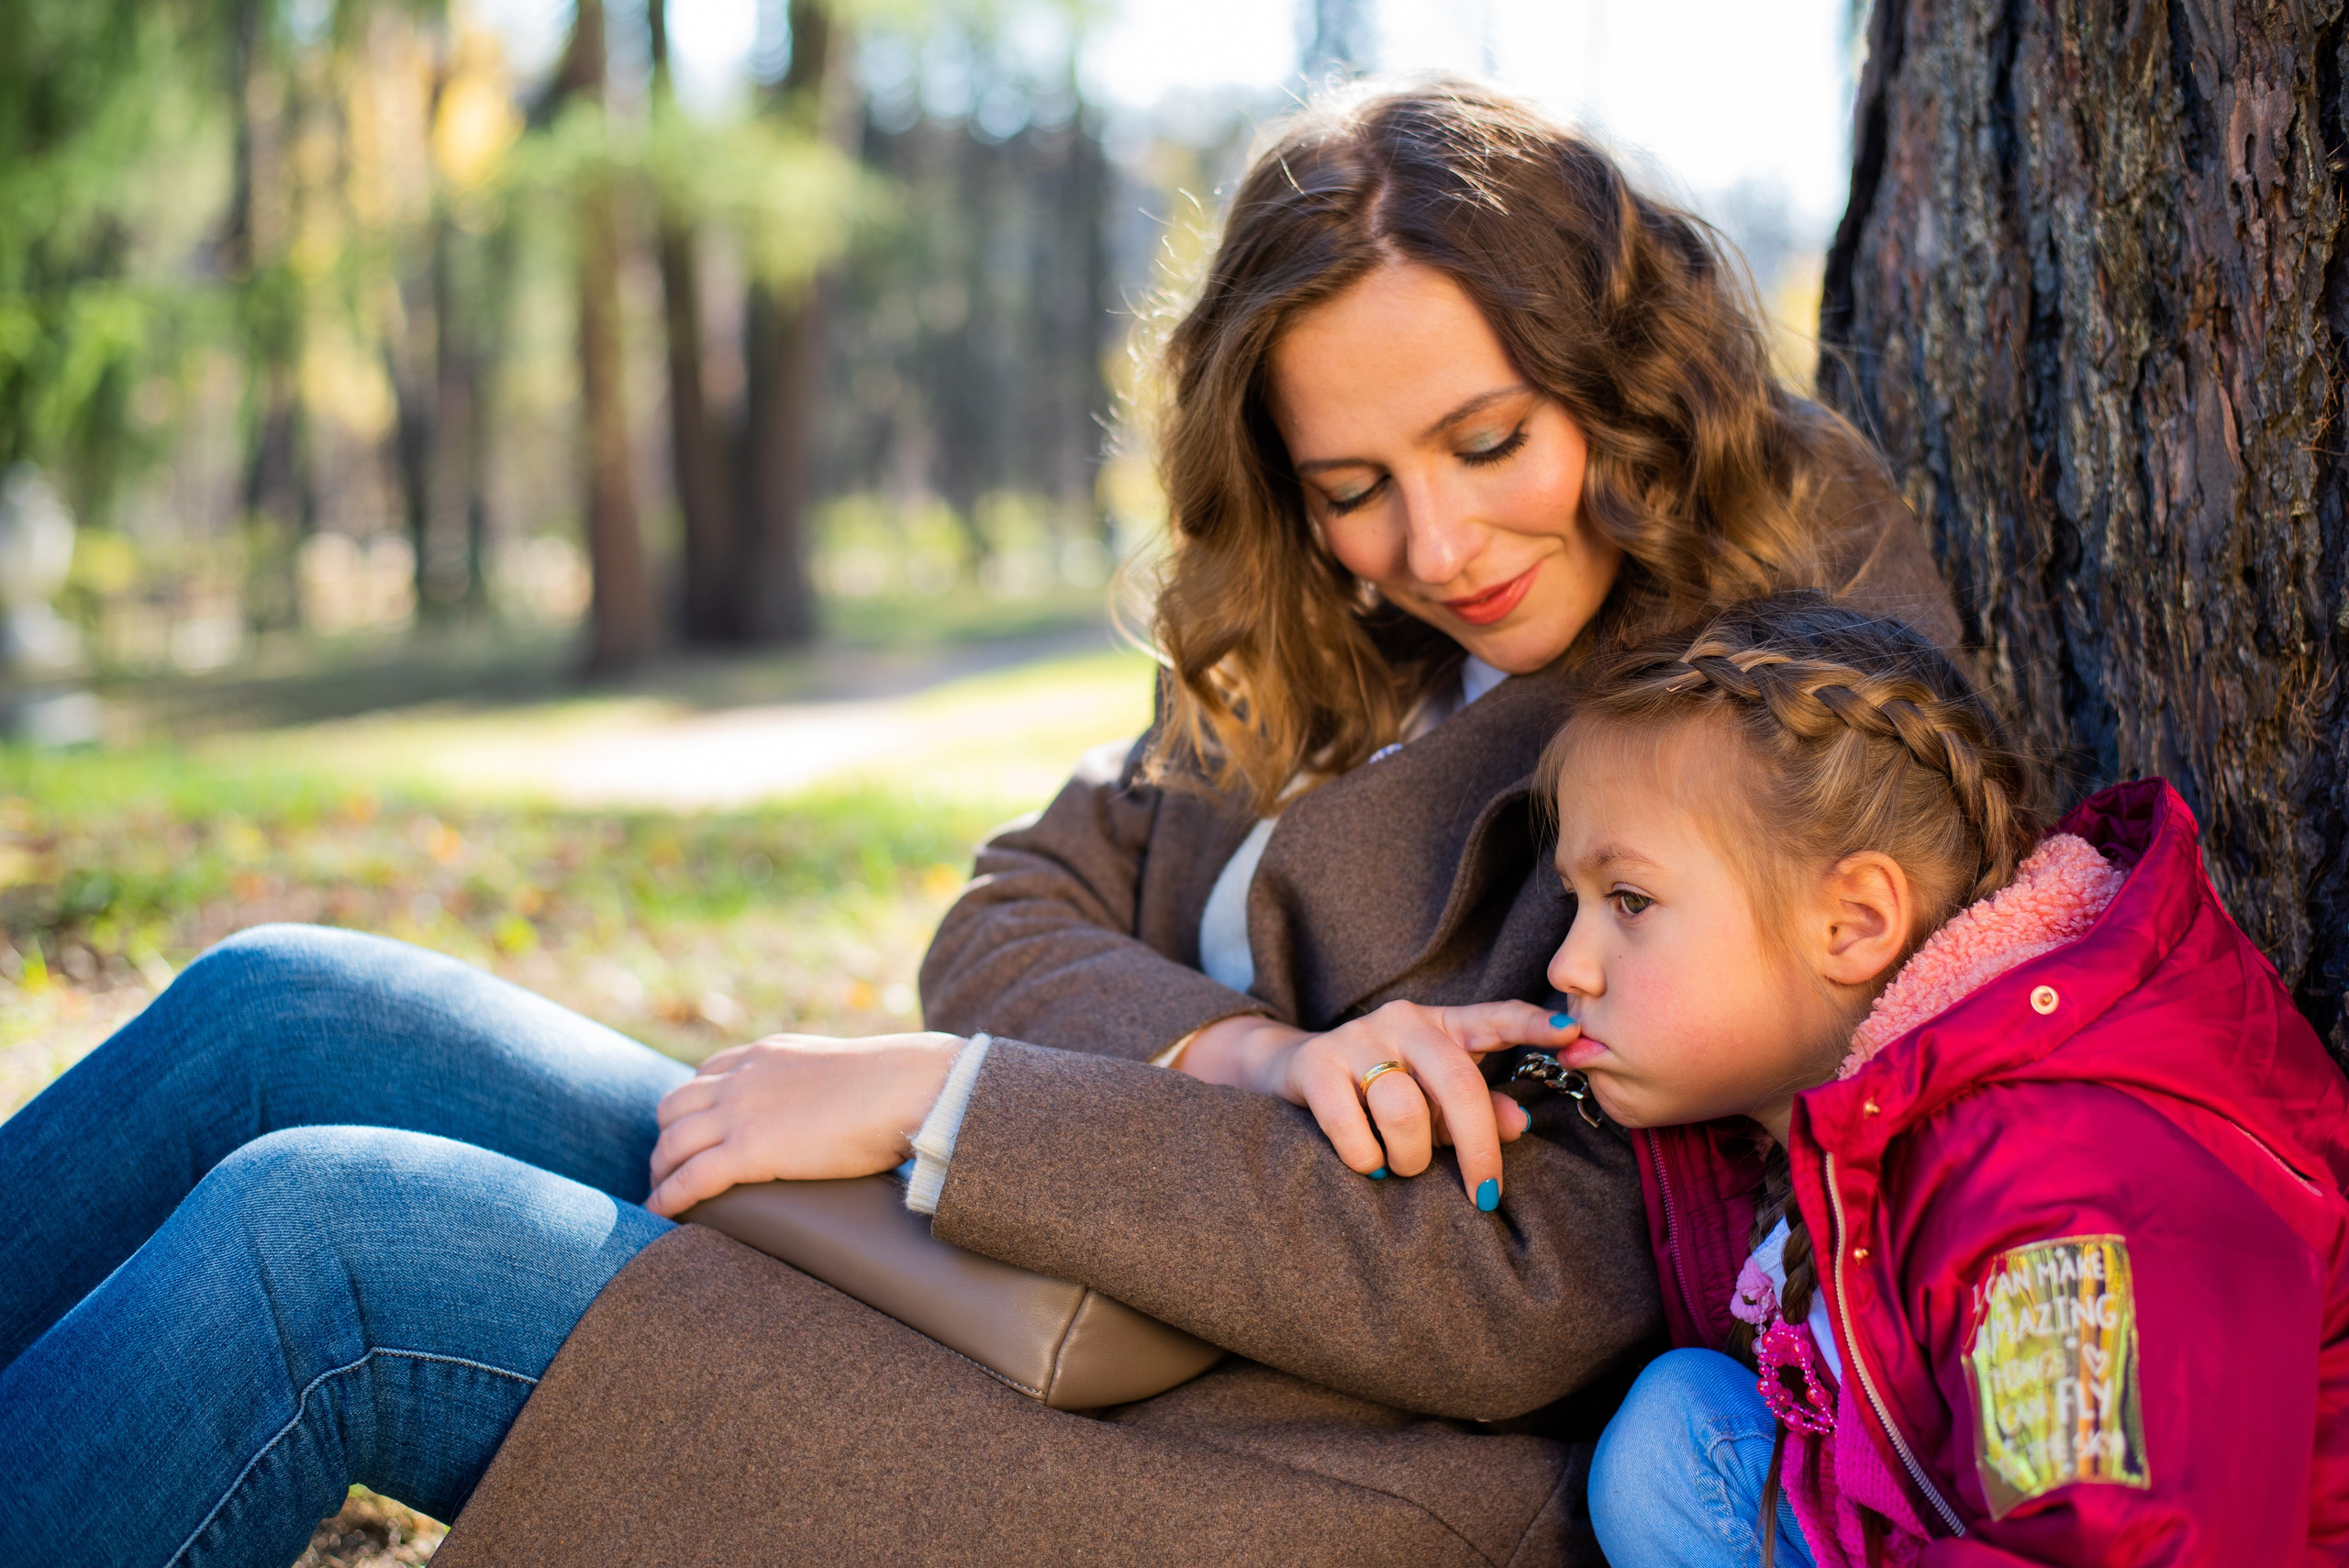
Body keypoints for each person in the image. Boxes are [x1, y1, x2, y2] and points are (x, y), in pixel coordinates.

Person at [1, 83, 1958, 1568]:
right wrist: (1244, 1049)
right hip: (1029, 1259)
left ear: (1614, 382)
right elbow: (1016, 901)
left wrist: (956, 1105)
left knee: (328, 1244)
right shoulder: (1337, 613)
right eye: (1350, 480)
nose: (1433, 545)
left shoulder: (1756, 645)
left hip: (1278, 1449)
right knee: (283, 1003)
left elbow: (1519, 1279)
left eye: (1485, 442)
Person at [1354, 593, 2349, 1565]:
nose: (1567, 965)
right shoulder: (1838, 1115)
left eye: (1628, 899)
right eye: (1578, 902)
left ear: (1854, 921)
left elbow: (2116, 1540)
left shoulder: (2052, 1188)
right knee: (1674, 1432)